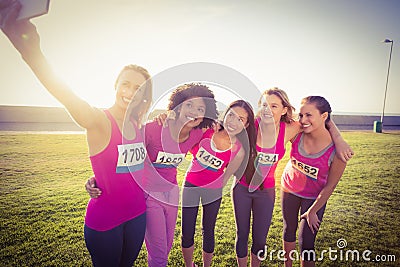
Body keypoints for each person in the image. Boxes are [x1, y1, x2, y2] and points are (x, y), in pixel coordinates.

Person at [1, 2, 152, 266]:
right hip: (106, 221)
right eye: (125, 84)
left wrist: (97, 176)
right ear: (115, 86)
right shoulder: (97, 120)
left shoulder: (140, 124)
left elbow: (128, 167)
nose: (130, 91)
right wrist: (30, 51)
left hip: (138, 214)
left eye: (138, 87)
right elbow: (65, 95)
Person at [87, 83, 219, 267]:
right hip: (149, 197)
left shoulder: (198, 133)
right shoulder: (153, 128)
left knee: (166, 247)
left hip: (172, 194)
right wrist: (95, 178)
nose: (193, 112)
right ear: (178, 106)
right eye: (188, 105)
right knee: (159, 256)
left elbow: (231, 131)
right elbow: (122, 154)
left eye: (200, 108)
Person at [232, 88, 354, 267]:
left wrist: (339, 139)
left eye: (274, 105)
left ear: (284, 110)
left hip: (272, 192)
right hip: (254, 188)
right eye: (264, 105)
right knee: (248, 234)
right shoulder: (254, 125)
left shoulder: (292, 129)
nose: (267, 109)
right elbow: (229, 124)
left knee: (276, 240)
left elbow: (323, 121)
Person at [181, 100, 257, 267]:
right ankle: (189, 264)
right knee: (187, 231)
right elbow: (185, 140)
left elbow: (226, 177)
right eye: (231, 115)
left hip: (213, 192)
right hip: (191, 185)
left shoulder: (239, 150)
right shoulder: (208, 130)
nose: (233, 121)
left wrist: (213, 190)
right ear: (225, 114)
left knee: (208, 231)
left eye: (240, 119)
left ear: (247, 124)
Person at [280, 96, 347, 267]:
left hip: (314, 198)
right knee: (289, 230)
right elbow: (277, 122)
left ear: (324, 116)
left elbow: (330, 186)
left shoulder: (338, 152)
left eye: (309, 115)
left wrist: (312, 211)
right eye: (301, 115)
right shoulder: (297, 133)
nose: (303, 120)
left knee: (306, 241)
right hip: (289, 189)